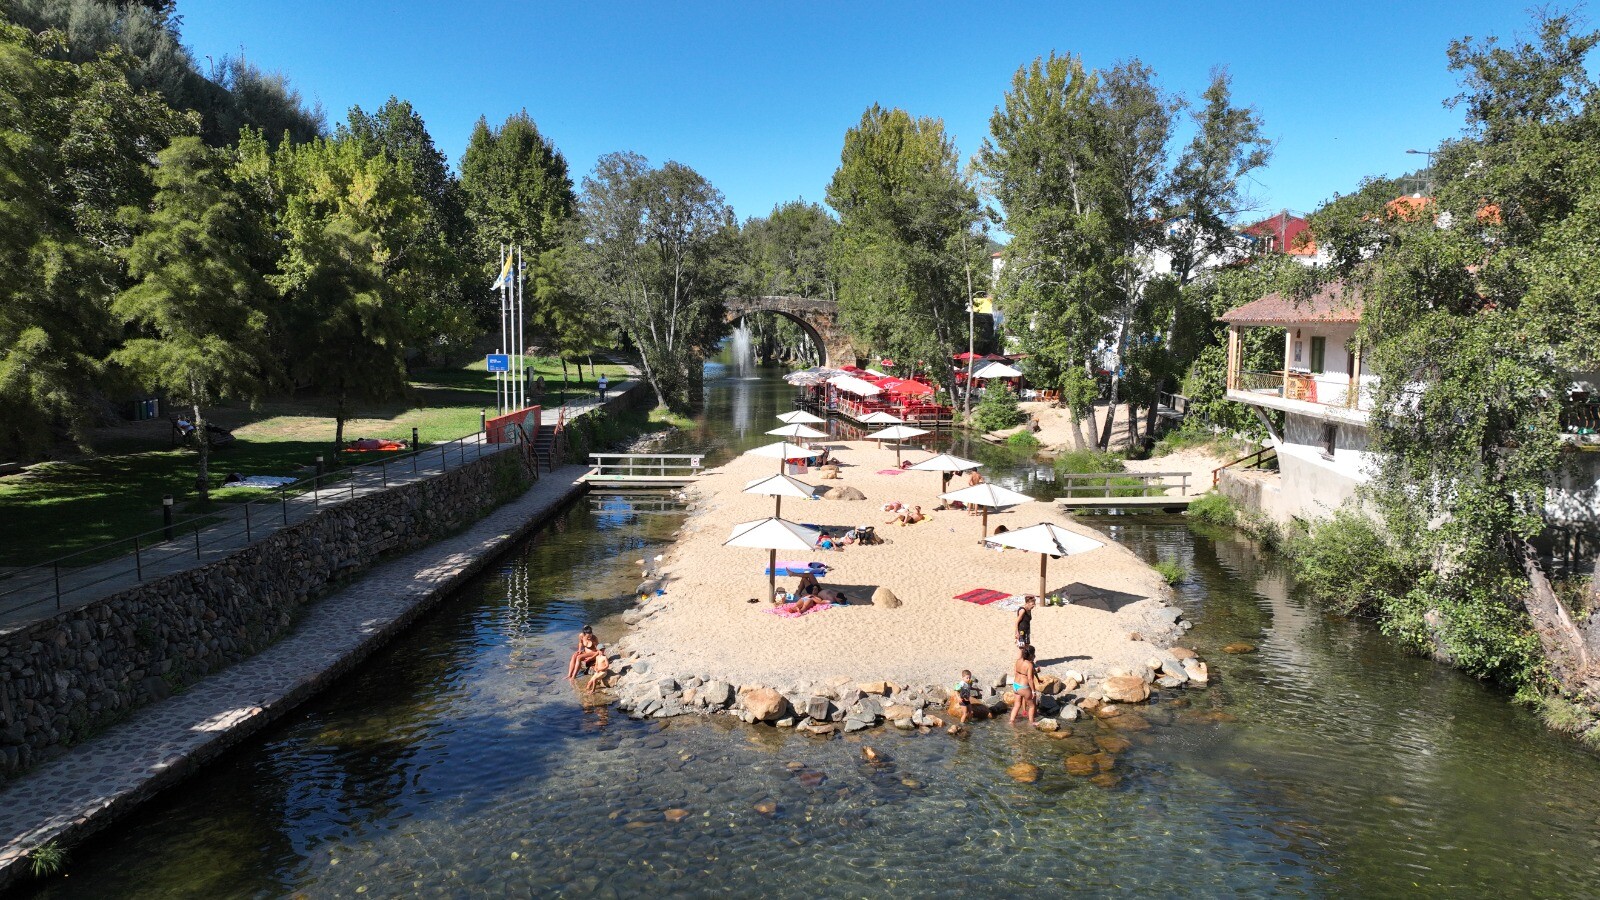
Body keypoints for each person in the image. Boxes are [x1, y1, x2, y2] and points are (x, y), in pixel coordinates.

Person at [1009, 644, 1040, 726]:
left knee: (1016, 705)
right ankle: (1031, 722)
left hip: (1015, 685)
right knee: (1032, 706)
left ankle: (1011, 721)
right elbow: (1030, 678)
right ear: (1031, 655)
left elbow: (1015, 672)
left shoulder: (1018, 660)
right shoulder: (1029, 665)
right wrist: (1033, 691)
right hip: (1023, 687)